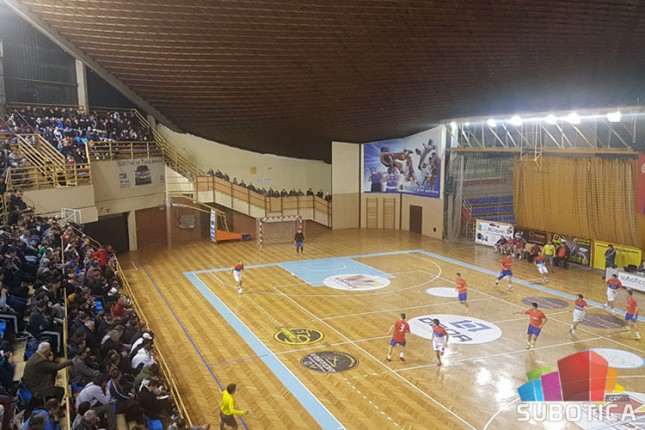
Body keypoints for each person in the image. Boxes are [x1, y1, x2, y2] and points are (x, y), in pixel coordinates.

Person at [23, 342, 72, 408]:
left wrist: (50, 359)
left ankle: (51, 400)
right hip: (36, 387)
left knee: (52, 372)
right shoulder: (40, 361)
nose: (50, 351)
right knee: (60, 391)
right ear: (46, 352)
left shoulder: (36, 356)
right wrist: (70, 361)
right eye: (49, 350)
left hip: (33, 381)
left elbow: (49, 366)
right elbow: (57, 366)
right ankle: (53, 407)